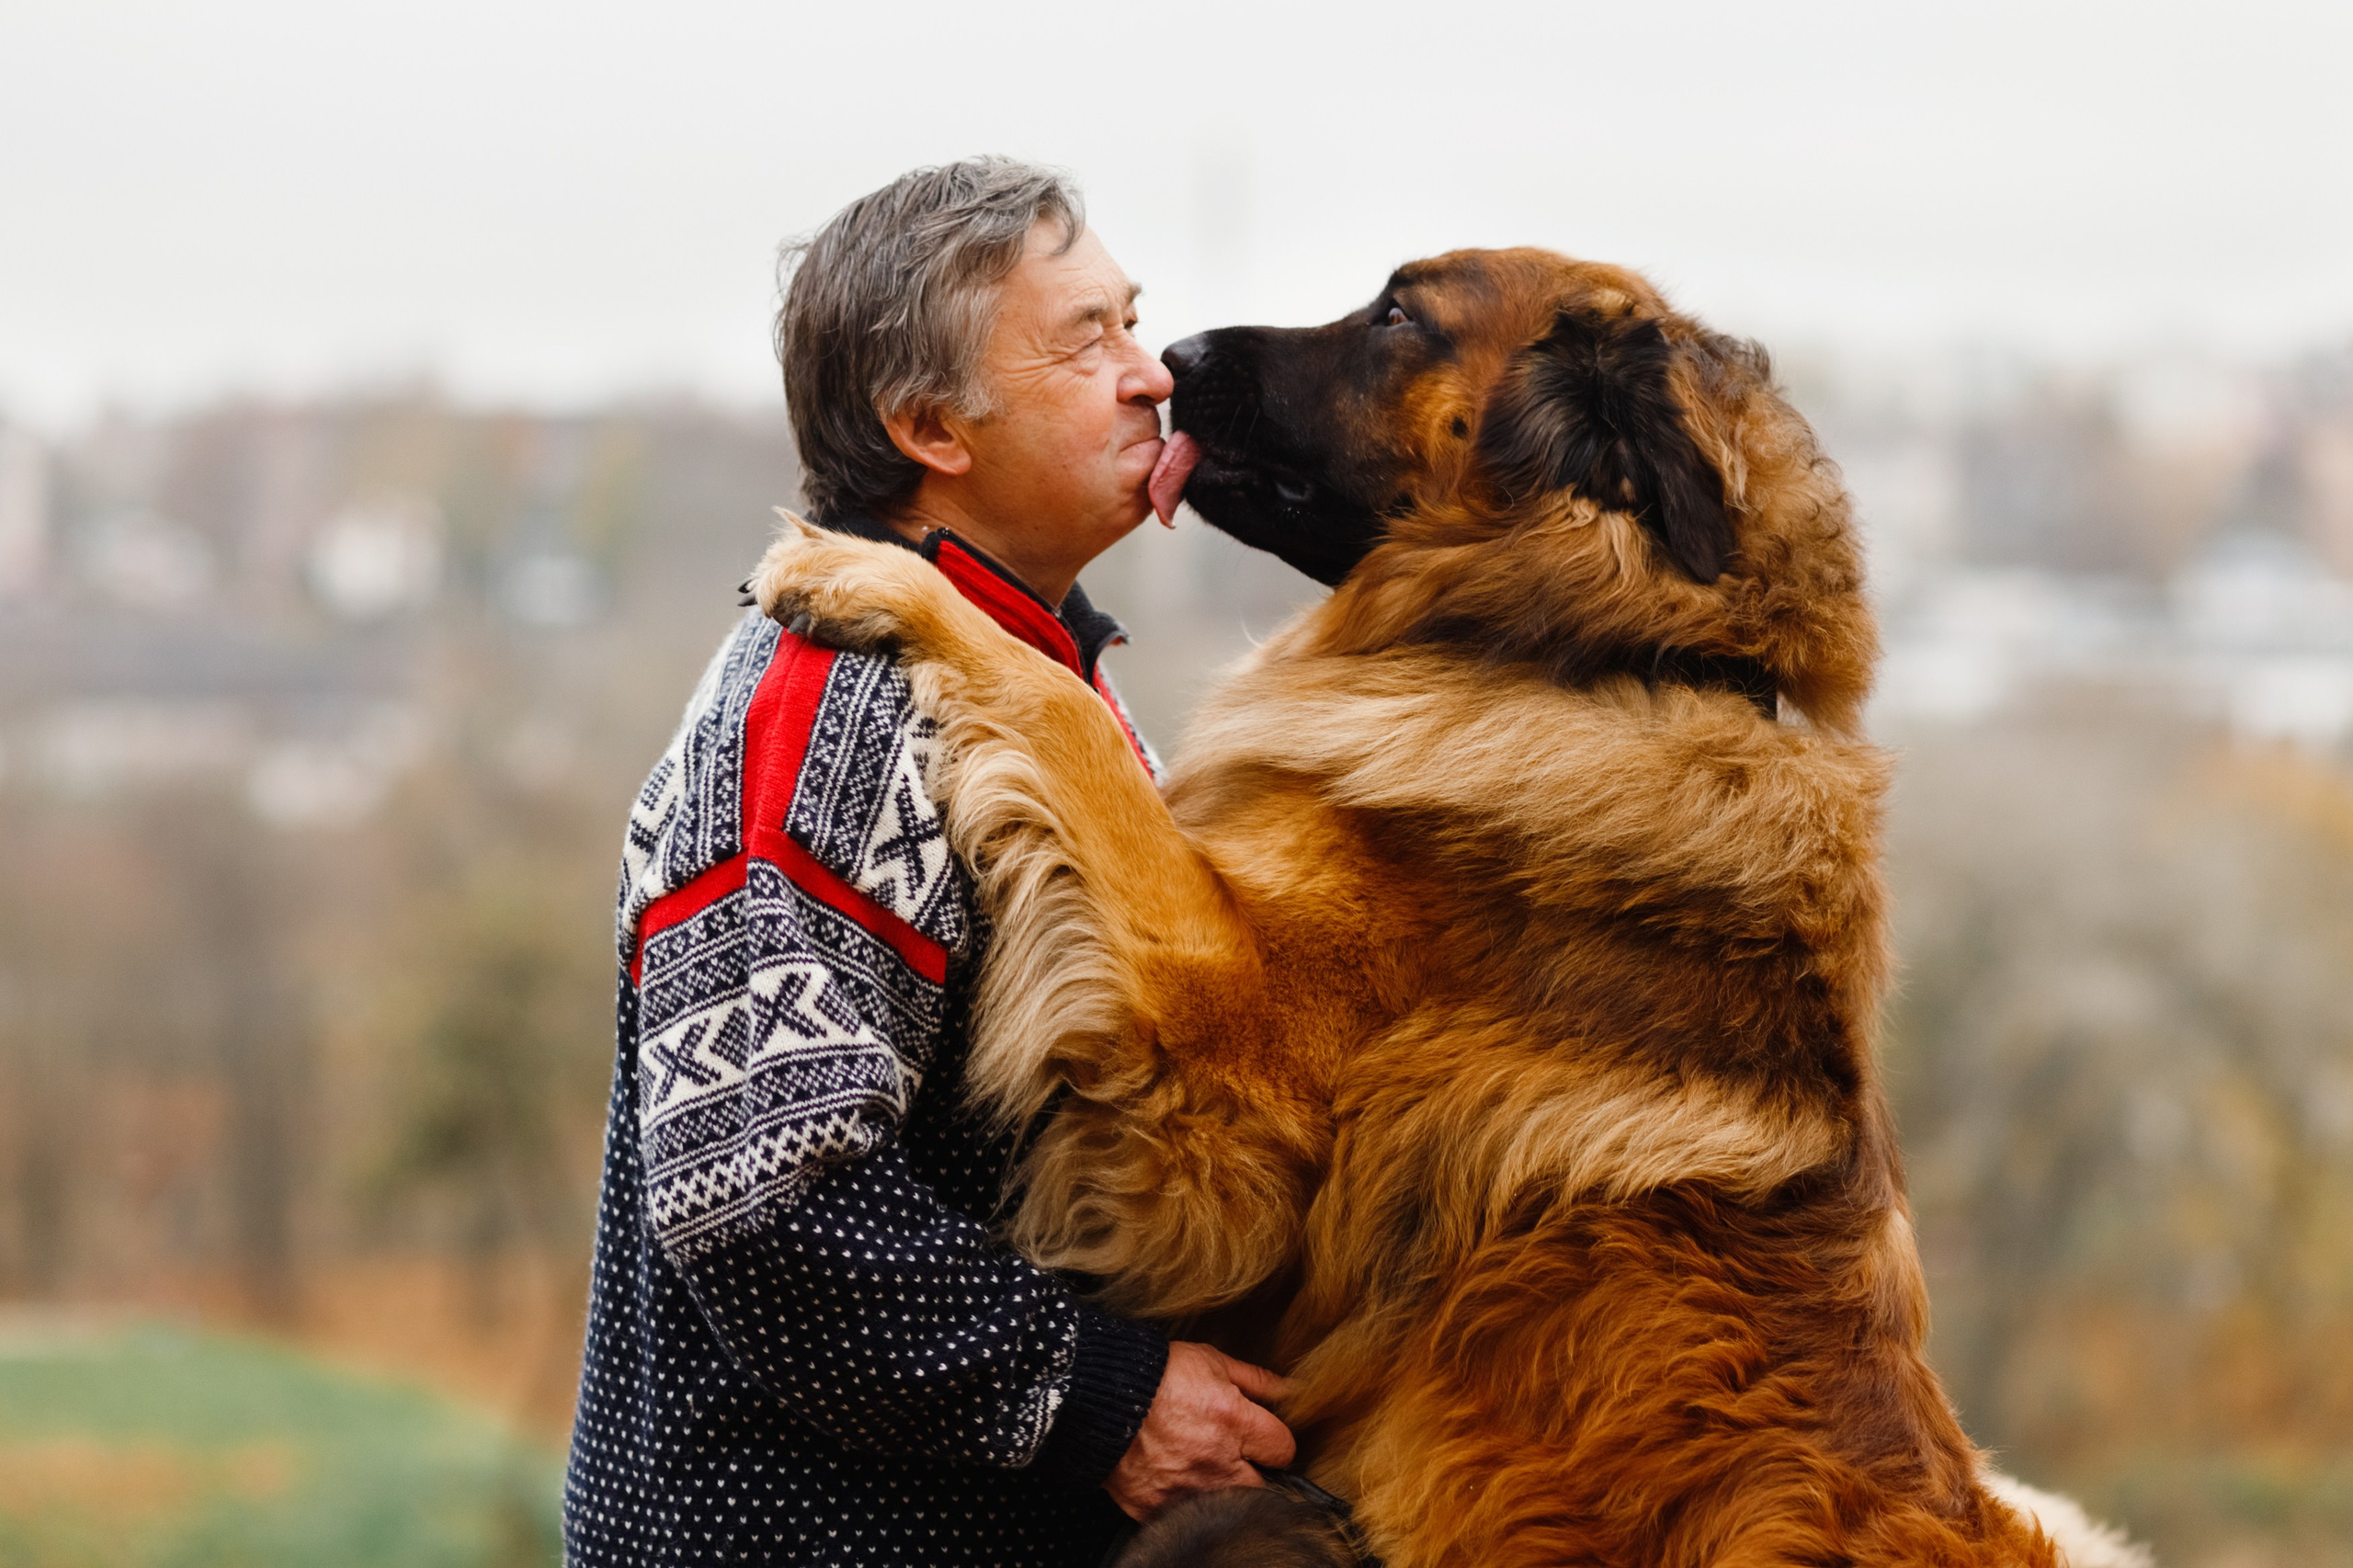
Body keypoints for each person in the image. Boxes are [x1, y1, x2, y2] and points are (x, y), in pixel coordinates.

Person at [562, 158, 1296, 1567]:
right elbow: (763, 1190)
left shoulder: (1025, 670)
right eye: (1085, 339)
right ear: (927, 425)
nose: (1152, 376)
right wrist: (1105, 1400)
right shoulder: (833, 706)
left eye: (1134, 321)